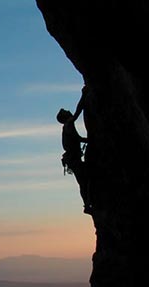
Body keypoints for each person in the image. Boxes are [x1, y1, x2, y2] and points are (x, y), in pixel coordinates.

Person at [57, 86, 92, 214]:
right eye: (66, 111)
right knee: (85, 180)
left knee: (83, 181)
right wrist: (83, 95)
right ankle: (87, 205)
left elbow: (76, 139)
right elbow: (78, 111)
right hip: (74, 159)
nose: (69, 111)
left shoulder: (66, 127)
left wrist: (87, 140)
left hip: (72, 159)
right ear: (65, 116)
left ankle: (87, 204)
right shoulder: (69, 123)